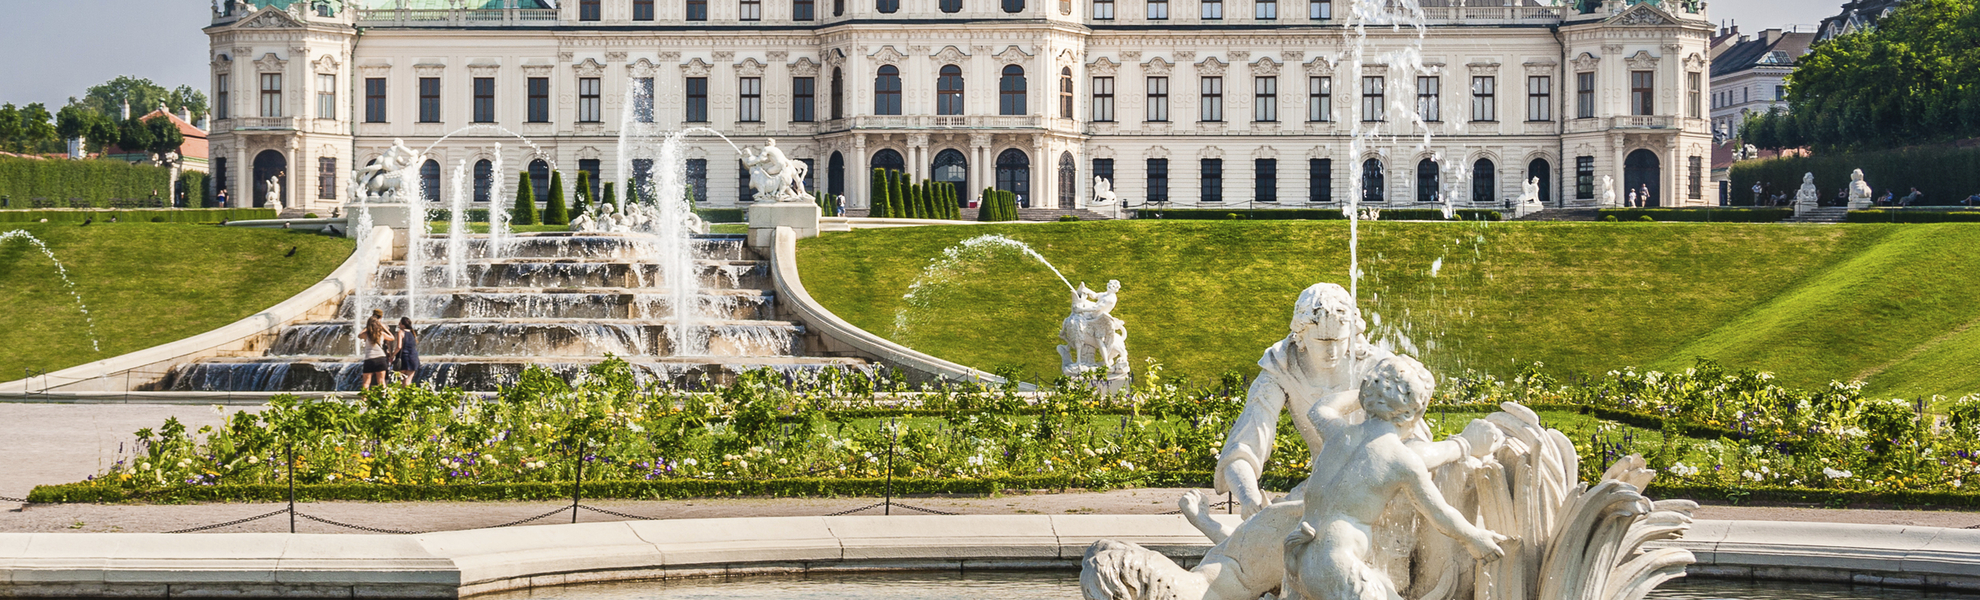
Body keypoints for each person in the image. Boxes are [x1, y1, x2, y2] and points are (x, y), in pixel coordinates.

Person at [359, 309, 397, 389]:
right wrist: (385, 328)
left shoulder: (366, 334)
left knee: (366, 382)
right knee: (381, 381)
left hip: (369, 359)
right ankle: (383, 399)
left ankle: (364, 400)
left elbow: (359, 335)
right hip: (381, 358)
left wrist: (367, 327)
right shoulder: (381, 334)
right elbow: (392, 338)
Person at [393, 317, 420, 385]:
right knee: (408, 380)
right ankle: (408, 394)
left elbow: (399, 347)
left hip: (404, 358)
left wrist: (392, 355)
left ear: (403, 324)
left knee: (403, 381)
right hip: (414, 358)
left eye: (399, 323)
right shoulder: (412, 333)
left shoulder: (401, 332)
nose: (399, 325)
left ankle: (403, 394)